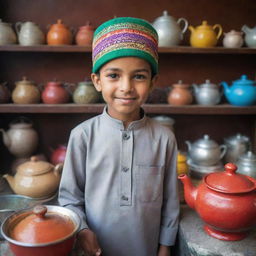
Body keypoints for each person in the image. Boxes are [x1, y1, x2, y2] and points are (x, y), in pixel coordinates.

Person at [58, 16, 180, 256]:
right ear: (97, 81)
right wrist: (82, 230)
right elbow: (70, 198)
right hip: (96, 249)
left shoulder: (165, 138)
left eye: (139, 76)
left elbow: (171, 200)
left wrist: (165, 247)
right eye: (114, 75)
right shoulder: (83, 136)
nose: (126, 87)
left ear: (153, 83)